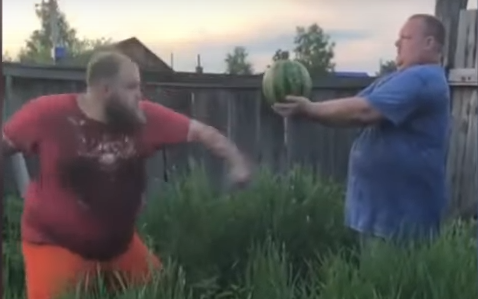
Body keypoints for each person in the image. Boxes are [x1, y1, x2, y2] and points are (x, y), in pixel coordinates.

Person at [2, 51, 252, 299]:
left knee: (166, 291)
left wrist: (236, 161)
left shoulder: (143, 117)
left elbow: (202, 132)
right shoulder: (47, 114)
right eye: (131, 87)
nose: (139, 95)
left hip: (120, 247)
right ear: (106, 90)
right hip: (56, 245)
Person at [272, 14, 450, 248]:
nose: (397, 44)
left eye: (405, 38)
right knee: (375, 280)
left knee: (391, 283)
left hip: (401, 220)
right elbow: (352, 110)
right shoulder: (397, 79)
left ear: (429, 43)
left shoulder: (424, 78)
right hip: (380, 213)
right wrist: (309, 109)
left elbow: (364, 112)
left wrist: (310, 109)